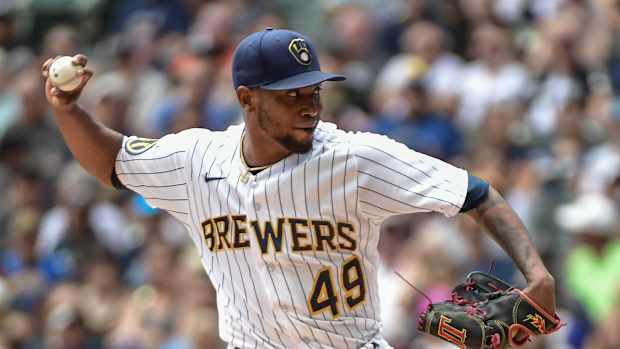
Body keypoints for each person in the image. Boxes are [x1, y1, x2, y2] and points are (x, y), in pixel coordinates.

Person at [41, 28, 556, 349]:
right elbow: (110, 160)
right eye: (291, 96)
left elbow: (476, 193)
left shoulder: (355, 158)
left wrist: (536, 271)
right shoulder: (195, 160)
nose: (310, 105)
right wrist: (68, 111)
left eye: (313, 91)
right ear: (247, 99)